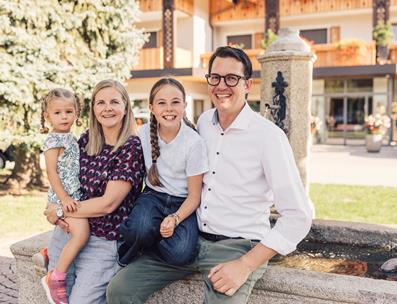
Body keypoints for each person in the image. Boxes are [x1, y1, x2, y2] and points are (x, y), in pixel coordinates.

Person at [107, 46, 313, 304]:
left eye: (232, 78)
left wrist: (246, 264)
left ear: (248, 84)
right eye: (215, 77)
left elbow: (298, 216)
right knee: (119, 291)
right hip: (189, 238)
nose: (221, 85)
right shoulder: (203, 123)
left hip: (236, 248)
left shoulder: (269, 137)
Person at [44, 79, 145, 304]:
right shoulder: (87, 139)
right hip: (68, 232)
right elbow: (63, 175)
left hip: (103, 241)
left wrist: (60, 210)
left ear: (125, 107)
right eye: (100, 102)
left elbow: (107, 204)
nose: (107, 107)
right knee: (57, 299)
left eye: (114, 102)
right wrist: (52, 204)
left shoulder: (131, 148)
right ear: (93, 109)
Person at [117, 78, 208, 267]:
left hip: (182, 203)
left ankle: (148, 242)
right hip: (153, 196)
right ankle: (139, 240)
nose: (169, 109)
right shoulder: (142, 134)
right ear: (151, 107)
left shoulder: (194, 143)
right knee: (139, 228)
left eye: (175, 102)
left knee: (181, 254)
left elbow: (194, 196)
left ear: (184, 105)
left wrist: (175, 219)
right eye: (161, 103)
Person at [40, 88, 90, 304]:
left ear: (76, 113)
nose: (64, 117)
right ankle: (56, 277)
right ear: (47, 116)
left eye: (68, 112)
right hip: (64, 197)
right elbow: (51, 173)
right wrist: (64, 199)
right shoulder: (53, 141)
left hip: (72, 195)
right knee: (81, 234)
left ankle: (49, 253)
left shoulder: (71, 138)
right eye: (57, 113)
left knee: (71, 233)